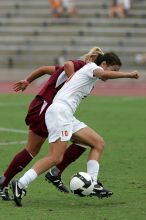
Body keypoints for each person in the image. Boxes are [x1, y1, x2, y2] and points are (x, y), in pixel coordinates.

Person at [11, 52, 140, 207]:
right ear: (104, 63)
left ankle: (92, 183)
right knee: (55, 158)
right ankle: (21, 184)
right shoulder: (92, 68)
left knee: (97, 143)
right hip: (60, 113)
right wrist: (129, 75)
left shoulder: (90, 76)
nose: (115, 72)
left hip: (66, 114)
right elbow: (101, 72)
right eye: (115, 69)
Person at [0, 47, 105, 200]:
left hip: (57, 112)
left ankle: (55, 173)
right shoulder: (83, 67)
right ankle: (5, 182)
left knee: (88, 141)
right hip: (46, 108)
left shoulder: (87, 74)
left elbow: (44, 69)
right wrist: (71, 79)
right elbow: (68, 65)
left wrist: (27, 80)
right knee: (33, 150)